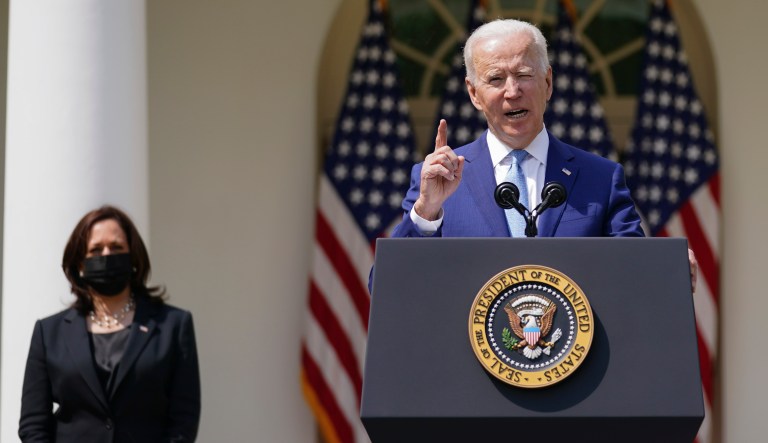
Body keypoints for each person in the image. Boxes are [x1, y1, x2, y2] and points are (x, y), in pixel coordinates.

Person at [390, 19, 698, 288]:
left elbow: (633, 270)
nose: (512, 91)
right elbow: (389, 285)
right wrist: (426, 212)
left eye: (524, 75)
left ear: (548, 83)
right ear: (474, 93)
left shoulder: (601, 178)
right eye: (496, 79)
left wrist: (665, 267)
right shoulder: (438, 180)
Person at [19, 205, 201, 442]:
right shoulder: (48, 332)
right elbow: (33, 424)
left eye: (116, 247)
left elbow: (184, 420)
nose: (106, 256)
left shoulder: (173, 325)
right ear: (80, 264)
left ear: (133, 257)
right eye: (95, 250)